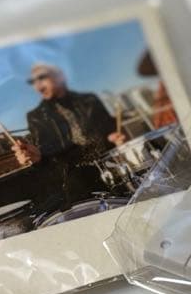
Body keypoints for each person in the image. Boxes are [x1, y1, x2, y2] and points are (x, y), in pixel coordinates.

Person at [11, 63, 126, 210]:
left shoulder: (89, 100)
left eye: (41, 77)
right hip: (78, 182)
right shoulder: (36, 117)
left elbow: (109, 130)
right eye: (32, 81)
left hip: (111, 168)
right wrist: (36, 158)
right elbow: (48, 159)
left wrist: (113, 137)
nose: (37, 84)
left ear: (60, 77)